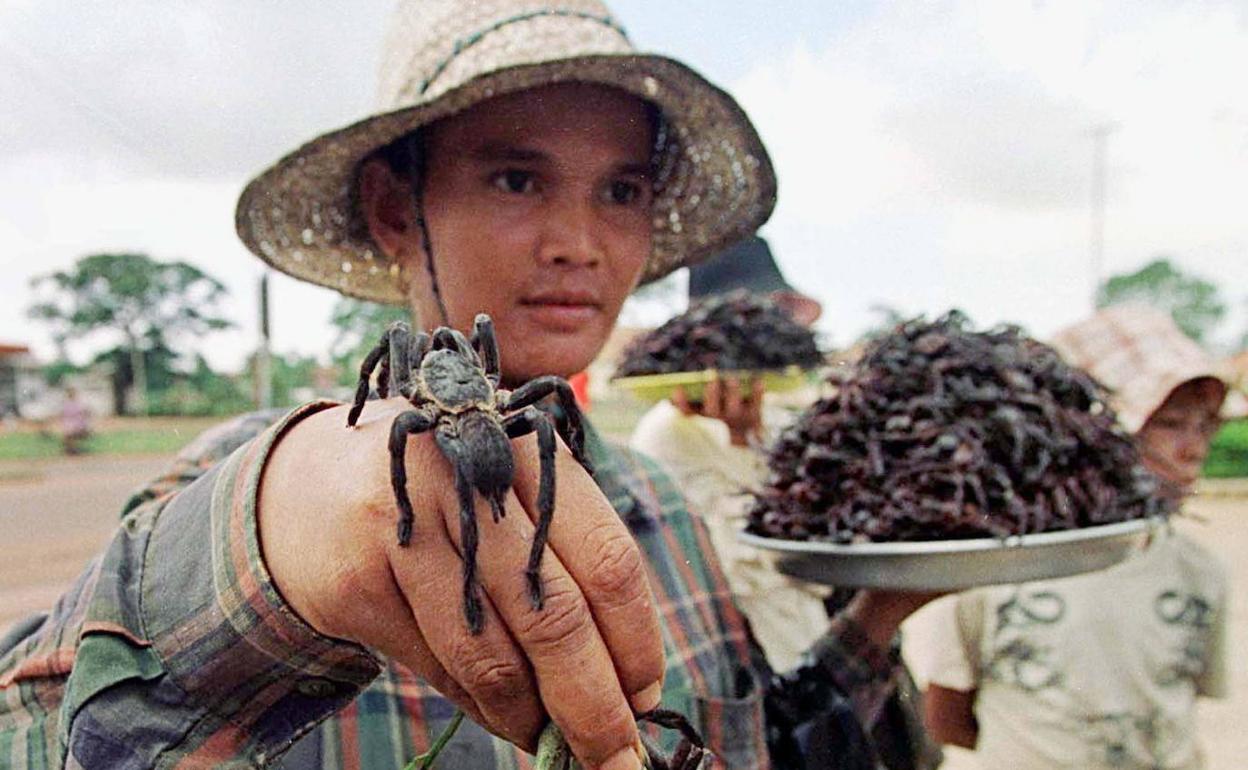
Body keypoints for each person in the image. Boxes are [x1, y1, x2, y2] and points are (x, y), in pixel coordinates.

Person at [0, 2, 921, 768]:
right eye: (518, 178)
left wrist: (883, 611)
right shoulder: (243, 483)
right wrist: (269, 529)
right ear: (396, 211)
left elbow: (759, 747)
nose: (578, 243)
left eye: (623, 192)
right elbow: (37, 732)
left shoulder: (668, 509)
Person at [630, 235, 942, 770]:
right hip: (767, 673)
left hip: (833, 648)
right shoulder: (664, 436)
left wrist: (749, 436)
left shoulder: (782, 413)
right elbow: (752, 571)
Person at [913, 303, 1236, 770]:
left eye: (1205, 426)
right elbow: (946, 718)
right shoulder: (996, 568)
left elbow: (1175, 703)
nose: (1194, 449)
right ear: (1098, 431)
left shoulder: (1198, 570)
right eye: (1169, 423)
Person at [58, 386, 91, 455]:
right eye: (70, 393)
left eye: (72, 393)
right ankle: (72, 449)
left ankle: (72, 449)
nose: (71, 394)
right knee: (68, 433)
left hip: (79, 427)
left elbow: (86, 413)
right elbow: (62, 416)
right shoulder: (65, 404)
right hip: (70, 427)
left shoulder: (80, 403)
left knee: (70, 433)